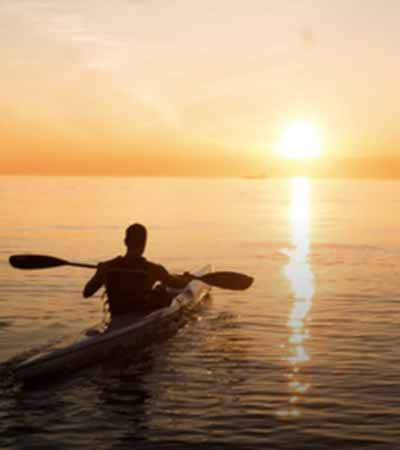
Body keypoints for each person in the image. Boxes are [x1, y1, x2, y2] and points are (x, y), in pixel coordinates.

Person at [83, 223, 190, 315]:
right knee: (162, 291)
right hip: (141, 316)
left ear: (125, 242)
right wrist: (187, 279)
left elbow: (86, 293)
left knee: (160, 289)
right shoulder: (154, 269)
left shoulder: (108, 266)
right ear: (144, 244)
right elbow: (181, 285)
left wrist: (99, 275)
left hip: (117, 316)